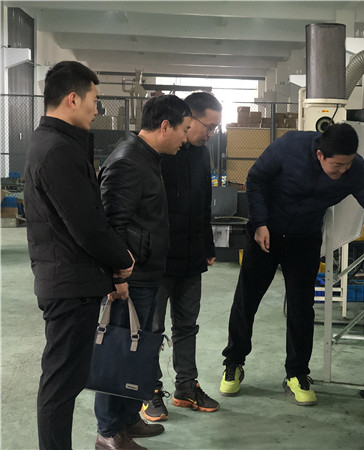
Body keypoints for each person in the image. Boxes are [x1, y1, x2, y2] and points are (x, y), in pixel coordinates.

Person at [219, 122, 364, 406]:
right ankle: (234, 363)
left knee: (302, 308)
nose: (343, 171)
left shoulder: (353, 169)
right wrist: (260, 223)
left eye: (348, 164)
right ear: (320, 155)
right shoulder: (289, 147)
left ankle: (297, 373)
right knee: (247, 300)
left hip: (305, 239)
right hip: (266, 234)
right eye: (337, 165)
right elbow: (256, 179)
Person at [24, 60, 135, 450]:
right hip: (68, 285)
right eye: (94, 100)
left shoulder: (55, 143)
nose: (96, 109)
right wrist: (122, 259)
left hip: (69, 279)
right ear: (73, 99)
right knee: (61, 383)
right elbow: (86, 225)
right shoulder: (58, 151)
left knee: (65, 380)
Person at [94, 95, 192, 450]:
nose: (185, 138)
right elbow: (111, 225)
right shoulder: (128, 162)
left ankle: (127, 419)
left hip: (146, 274)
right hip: (131, 280)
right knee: (119, 351)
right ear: (165, 126)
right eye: (183, 129)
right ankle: (108, 432)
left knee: (136, 352)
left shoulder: (146, 157)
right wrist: (117, 277)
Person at [142, 92, 222, 421]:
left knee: (187, 326)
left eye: (216, 128)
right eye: (209, 126)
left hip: (191, 257)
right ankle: (149, 390)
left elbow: (204, 201)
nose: (211, 134)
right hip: (158, 260)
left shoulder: (201, 153)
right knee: (152, 328)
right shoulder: (156, 153)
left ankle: (186, 388)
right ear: (189, 118)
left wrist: (208, 245)